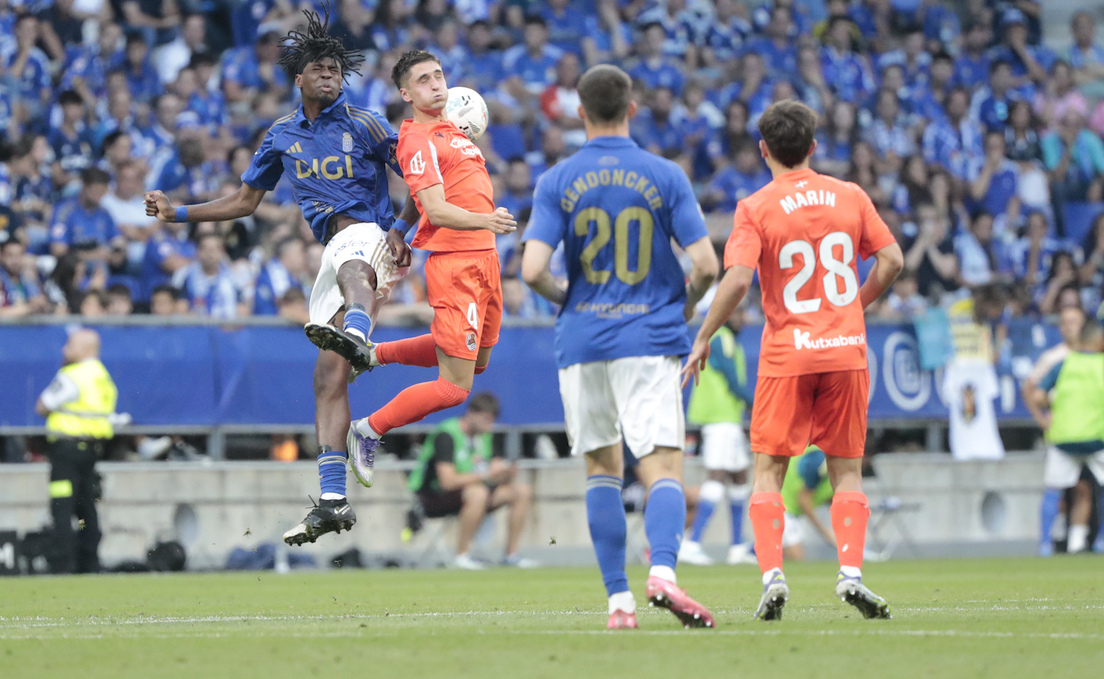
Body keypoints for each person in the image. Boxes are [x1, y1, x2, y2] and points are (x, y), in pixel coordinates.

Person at [143, 7, 418, 546]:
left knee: (356, 267)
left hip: (369, 237)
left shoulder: (366, 123)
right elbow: (245, 200)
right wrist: (178, 213)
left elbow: (416, 177)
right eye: (318, 67)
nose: (329, 74)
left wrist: (403, 229)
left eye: (336, 69)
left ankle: (359, 331)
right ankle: (333, 500)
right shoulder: (281, 135)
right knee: (326, 377)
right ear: (299, 77)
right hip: (332, 254)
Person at [684, 100, 903, 622]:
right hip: (846, 352)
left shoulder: (755, 207)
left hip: (787, 356)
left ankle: (773, 576)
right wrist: (854, 304)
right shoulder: (850, 195)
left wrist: (704, 335)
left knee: (768, 471)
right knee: (846, 472)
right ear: (813, 146)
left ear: (764, 150)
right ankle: (850, 574)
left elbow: (737, 279)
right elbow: (892, 260)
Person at [521, 64, 719, 630]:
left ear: (579, 112)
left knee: (602, 470)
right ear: (632, 109)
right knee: (661, 468)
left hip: (581, 340)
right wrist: (680, 309)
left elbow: (532, 270)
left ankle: (619, 604)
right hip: (648, 338)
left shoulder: (556, 179)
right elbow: (707, 265)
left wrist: (569, 300)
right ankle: (663, 574)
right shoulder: (665, 175)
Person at [342, 50, 516, 490]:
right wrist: (487, 220)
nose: (436, 84)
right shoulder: (417, 139)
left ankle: (374, 355)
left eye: (438, 76)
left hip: (485, 260)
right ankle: (369, 428)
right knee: (455, 388)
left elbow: (420, 197)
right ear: (406, 93)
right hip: (457, 263)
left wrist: (400, 226)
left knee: (477, 362)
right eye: (423, 80)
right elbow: (435, 208)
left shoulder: (449, 130)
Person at [407, 393, 534, 569]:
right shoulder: (447, 434)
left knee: (521, 491)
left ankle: (511, 555)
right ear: (471, 413)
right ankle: (461, 556)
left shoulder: (485, 435)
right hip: (432, 496)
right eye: (486, 419)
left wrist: (505, 473)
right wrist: (487, 474)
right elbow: (447, 482)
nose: (490, 425)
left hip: (471, 494)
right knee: (478, 494)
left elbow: (492, 471)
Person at [34, 329, 118, 574]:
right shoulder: (104, 377)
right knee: (87, 508)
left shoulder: (73, 375)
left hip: (67, 450)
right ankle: (89, 563)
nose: (64, 349)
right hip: (92, 451)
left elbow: (43, 405)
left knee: (62, 507)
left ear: (85, 349)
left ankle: (62, 565)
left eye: (70, 344)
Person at [680, 303, 756, 566]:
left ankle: (736, 546)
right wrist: (757, 405)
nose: (743, 318)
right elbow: (732, 381)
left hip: (728, 418)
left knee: (739, 475)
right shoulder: (721, 338)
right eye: (738, 312)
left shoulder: (727, 340)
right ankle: (692, 542)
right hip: (719, 417)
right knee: (718, 475)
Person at [1031, 318, 1104, 556]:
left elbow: (1039, 396)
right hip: (1096, 438)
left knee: (1053, 490)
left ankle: (1044, 545)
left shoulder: (1063, 364)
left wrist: (1047, 415)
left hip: (1063, 437)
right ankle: (1100, 541)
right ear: (1098, 340)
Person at [779, 446, 836, 561]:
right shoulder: (819, 461)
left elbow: (826, 495)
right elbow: (803, 499)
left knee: (793, 559)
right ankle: (754, 551)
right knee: (797, 560)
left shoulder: (832, 462)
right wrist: (825, 532)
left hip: (792, 510)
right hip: (784, 506)